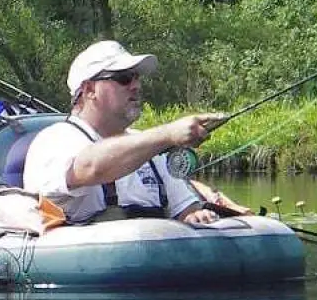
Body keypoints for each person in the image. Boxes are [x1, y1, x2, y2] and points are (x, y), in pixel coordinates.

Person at [23, 40, 226, 225]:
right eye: (123, 78)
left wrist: (194, 216)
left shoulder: (149, 147)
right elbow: (89, 167)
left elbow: (186, 209)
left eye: (137, 77)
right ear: (89, 89)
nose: (136, 86)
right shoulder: (54, 141)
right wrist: (168, 134)